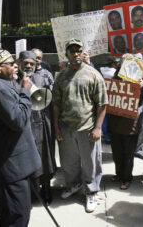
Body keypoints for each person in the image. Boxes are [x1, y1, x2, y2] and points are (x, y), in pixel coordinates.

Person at [0, 49, 41, 227]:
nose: (16, 65)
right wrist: (25, 91)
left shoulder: (3, 83)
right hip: (11, 164)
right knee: (19, 214)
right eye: (11, 63)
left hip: (16, 161)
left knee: (10, 211)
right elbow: (18, 120)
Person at [52, 38, 108, 213]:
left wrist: (98, 128)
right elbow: (56, 104)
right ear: (67, 54)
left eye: (78, 50)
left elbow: (102, 104)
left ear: (83, 53)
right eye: (72, 51)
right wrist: (56, 127)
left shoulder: (93, 75)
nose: (76, 54)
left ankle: (92, 191)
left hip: (87, 129)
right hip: (66, 128)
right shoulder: (60, 76)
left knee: (91, 163)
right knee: (69, 163)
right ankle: (74, 185)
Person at [18, 50, 56, 205]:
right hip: (23, 127)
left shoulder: (42, 79)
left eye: (31, 64)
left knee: (44, 158)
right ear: (18, 63)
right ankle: (31, 192)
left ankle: (46, 189)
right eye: (25, 63)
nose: (28, 66)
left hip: (41, 124)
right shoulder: (13, 80)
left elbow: (50, 102)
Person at [109, 66, 143, 190]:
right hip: (115, 125)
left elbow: (142, 101)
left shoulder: (139, 83)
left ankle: (126, 178)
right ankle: (119, 174)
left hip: (131, 126)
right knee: (117, 153)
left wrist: (140, 88)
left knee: (128, 155)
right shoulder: (114, 82)